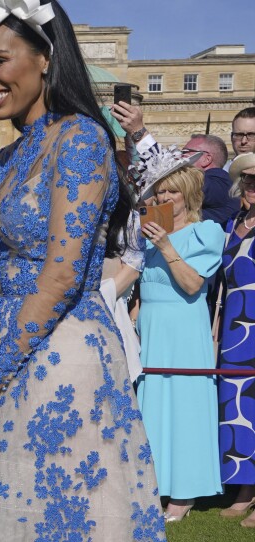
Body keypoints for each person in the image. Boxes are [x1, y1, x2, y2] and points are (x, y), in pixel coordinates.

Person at [0, 1, 165, 539]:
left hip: (63, 357)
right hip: (4, 355)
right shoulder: (7, 159)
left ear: (45, 57)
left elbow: (63, 272)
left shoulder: (82, 139)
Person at [134, 150, 225, 521]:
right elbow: (143, 291)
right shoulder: (149, 235)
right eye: (158, 193)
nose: (162, 199)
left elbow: (192, 286)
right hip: (151, 332)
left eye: (170, 192)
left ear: (188, 195)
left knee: (184, 409)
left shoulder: (207, 232)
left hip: (185, 332)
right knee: (150, 408)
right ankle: (150, 484)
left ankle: (184, 495)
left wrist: (167, 247)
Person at [111, 101, 238, 227]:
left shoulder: (220, 181)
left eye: (186, 152)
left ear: (207, 159)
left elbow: (172, 173)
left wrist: (138, 132)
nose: (179, 156)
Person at [217, 152, 255, 527]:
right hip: (235, 328)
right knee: (238, 408)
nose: (252, 185)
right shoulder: (233, 223)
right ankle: (245, 487)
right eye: (247, 178)